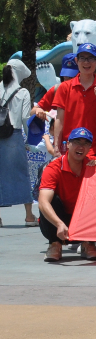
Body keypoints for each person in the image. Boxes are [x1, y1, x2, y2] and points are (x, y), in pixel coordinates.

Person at [38, 127, 96, 262]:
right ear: (68, 144)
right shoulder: (53, 168)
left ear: (90, 147)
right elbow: (43, 202)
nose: (81, 147)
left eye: (85, 143)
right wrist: (59, 224)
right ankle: (54, 243)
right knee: (50, 200)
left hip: (83, 221)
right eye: (77, 142)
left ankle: (88, 243)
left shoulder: (94, 164)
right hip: (59, 223)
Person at [50, 42, 96, 155]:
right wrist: (56, 147)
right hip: (69, 149)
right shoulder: (64, 87)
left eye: (91, 58)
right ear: (76, 60)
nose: (86, 62)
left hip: (95, 150)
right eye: (82, 58)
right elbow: (59, 119)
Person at [0, 59, 36, 227]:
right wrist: (29, 139)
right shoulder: (22, 92)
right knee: (22, 175)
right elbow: (25, 118)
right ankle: (29, 216)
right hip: (13, 136)